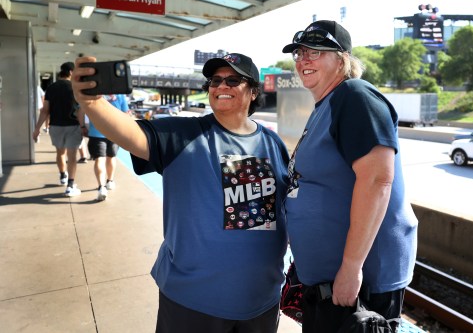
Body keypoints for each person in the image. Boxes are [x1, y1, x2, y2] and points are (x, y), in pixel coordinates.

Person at [71, 54, 289, 333]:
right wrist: (92, 102)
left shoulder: (272, 143)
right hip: (193, 304)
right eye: (215, 80)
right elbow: (131, 134)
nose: (221, 86)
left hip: (261, 303)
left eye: (233, 80)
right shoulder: (183, 134)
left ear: (254, 91)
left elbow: (281, 210)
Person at [281, 20, 419, 332]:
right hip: (327, 284)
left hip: (358, 289)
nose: (304, 60)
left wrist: (351, 267)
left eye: (315, 52)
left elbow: (377, 181)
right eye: (300, 53)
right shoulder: (325, 105)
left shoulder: (355, 96)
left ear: (342, 59)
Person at [33, 62, 83, 197]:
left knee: (60, 153)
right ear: (71, 72)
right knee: (72, 156)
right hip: (73, 125)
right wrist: (83, 126)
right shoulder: (76, 88)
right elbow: (81, 110)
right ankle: (70, 185)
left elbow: (45, 111)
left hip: (55, 126)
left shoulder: (51, 88)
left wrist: (37, 128)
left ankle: (62, 176)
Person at [79, 95, 130, 201]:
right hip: (114, 133)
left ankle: (101, 187)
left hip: (96, 133)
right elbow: (126, 114)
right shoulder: (120, 96)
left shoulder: (95, 94)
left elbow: (81, 111)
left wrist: (83, 126)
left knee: (99, 159)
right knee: (111, 157)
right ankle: (110, 181)